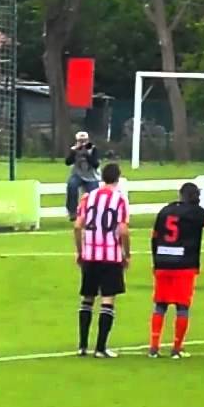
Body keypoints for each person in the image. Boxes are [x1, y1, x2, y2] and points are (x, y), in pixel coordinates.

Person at [148, 182, 204, 359]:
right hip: (184, 264)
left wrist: (156, 261)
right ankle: (176, 347)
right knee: (182, 306)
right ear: (193, 196)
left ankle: (154, 346)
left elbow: (154, 238)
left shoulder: (165, 210)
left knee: (160, 305)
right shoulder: (194, 212)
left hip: (163, 262)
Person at [74, 163, 129, 358]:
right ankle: (100, 348)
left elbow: (77, 226)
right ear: (118, 178)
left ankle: (82, 346)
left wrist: (80, 251)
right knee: (107, 300)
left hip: (90, 254)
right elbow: (122, 230)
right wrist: (126, 253)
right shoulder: (119, 200)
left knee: (87, 298)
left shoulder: (88, 197)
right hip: (110, 256)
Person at [65, 131, 101, 220]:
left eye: (84, 141)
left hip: (92, 176)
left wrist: (87, 155)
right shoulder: (73, 149)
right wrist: (74, 152)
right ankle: (72, 211)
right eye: (80, 141)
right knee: (71, 185)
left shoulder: (93, 149)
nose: (82, 143)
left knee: (93, 194)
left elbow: (96, 164)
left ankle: (93, 213)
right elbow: (67, 162)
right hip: (78, 174)